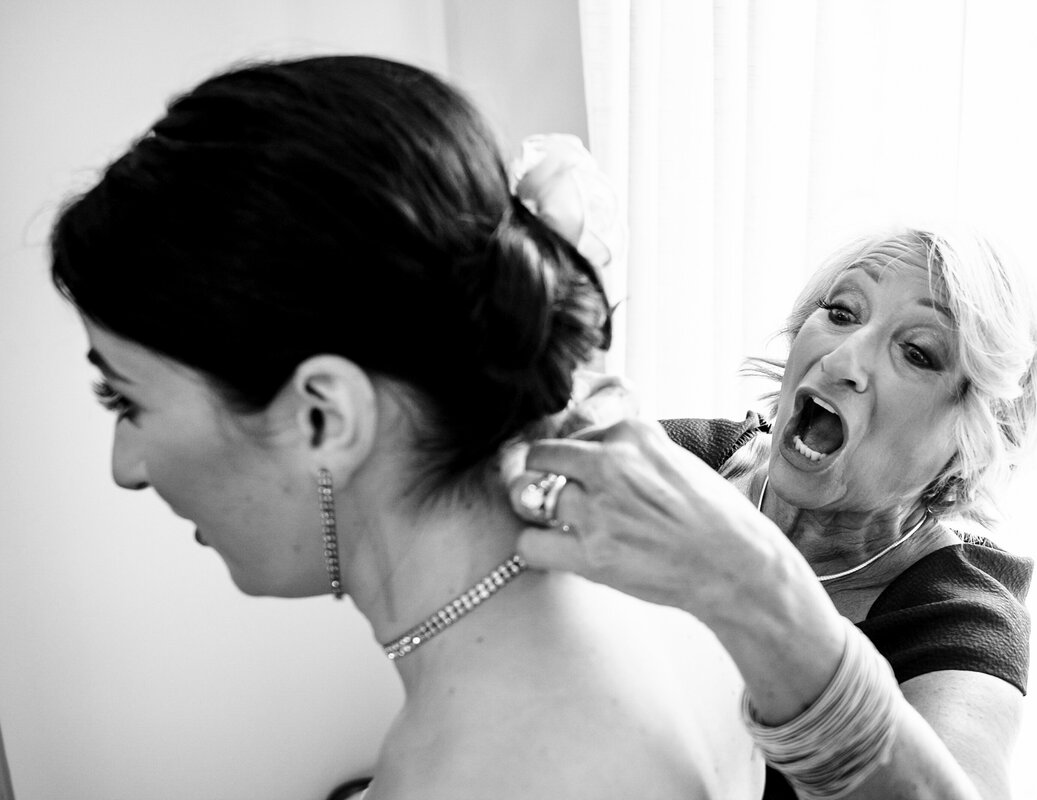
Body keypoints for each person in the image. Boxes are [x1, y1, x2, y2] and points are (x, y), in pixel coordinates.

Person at [49, 55, 762, 800]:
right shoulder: (658, 602)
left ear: (325, 414)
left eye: (125, 402)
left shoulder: (476, 774)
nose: (124, 466)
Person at [510, 228, 1037, 800]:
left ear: (977, 439)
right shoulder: (684, 459)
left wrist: (752, 586)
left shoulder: (960, 614)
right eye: (842, 312)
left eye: (916, 352)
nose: (842, 359)